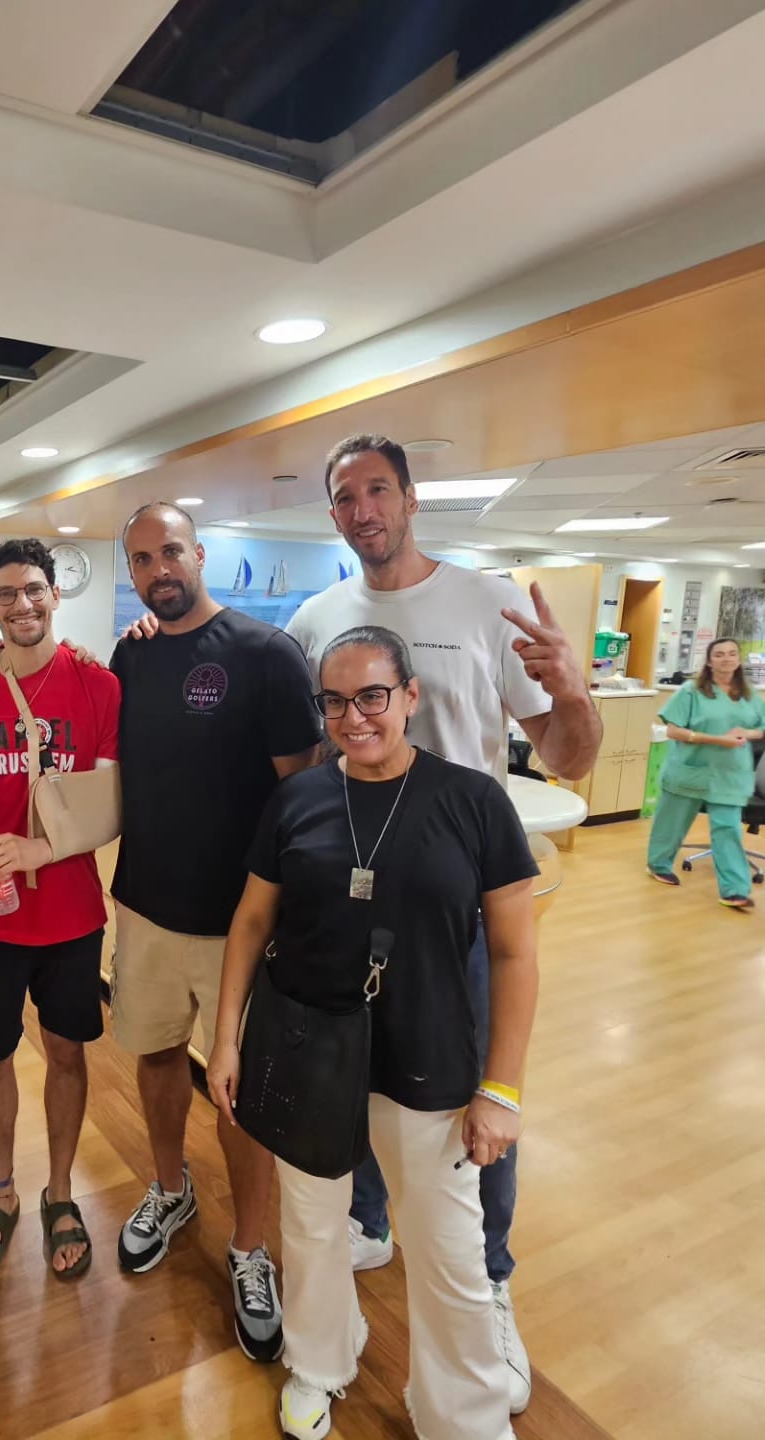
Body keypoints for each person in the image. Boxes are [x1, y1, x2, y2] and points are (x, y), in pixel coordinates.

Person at [286, 432, 602, 1412]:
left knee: (475, 1114)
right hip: (347, 914)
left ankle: (488, 1278)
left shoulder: (484, 604)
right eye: (346, 497)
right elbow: (306, 766)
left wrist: (573, 686)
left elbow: (571, 756)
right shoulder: (315, 621)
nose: (364, 511)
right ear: (332, 514)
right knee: (353, 1084)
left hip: (455, 913)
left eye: (379, 490)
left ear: (412, 498)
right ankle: (371, 1223)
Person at [210, 626, 539, 1440]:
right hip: (307, 1051)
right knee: (313, 1224)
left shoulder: (473, 801)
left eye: (372, 697)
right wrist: (226, 1039)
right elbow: (251, 923)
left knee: (447, 1248)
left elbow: (514, 953)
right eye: (334, 702)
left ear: (411, 697)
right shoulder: (298, 799)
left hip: (427, 1056)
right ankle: (319, 1363)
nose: (353, 717)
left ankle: (463, 1413)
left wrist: (502, 1089)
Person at [110, 502, 320, 1363]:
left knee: (244, 1092)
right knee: (156, 1056)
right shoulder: (131, 654)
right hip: (145, 907)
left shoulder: (267, 655)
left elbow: (302, 796)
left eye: (171, 551)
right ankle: (171, 1189)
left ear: (200, 554)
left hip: (240, 923)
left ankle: (250, 1249)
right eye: (141, 559)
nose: (158, 569)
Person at [0, 539, 120, 1283]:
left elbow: (112, 804)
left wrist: (39, 851)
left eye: (35, 588)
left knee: (68, 1053)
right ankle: (1, 1191)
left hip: (71, 913)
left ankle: (61, 1191)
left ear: (55, 594)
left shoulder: (98, 685)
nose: (23, 604)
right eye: (7, 593)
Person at [647, 637, 765, 909]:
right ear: (710, 661)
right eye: (719, 654)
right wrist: (717, 740)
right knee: (672, 824)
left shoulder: (748, 694)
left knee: (728, 829)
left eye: (732, 653)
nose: (726, 658)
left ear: (738, 660)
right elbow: (673, 731)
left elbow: (762, 728)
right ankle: (659, 864)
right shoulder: (691, 691)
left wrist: (747, 733)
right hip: (690, 769)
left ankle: (734, 890)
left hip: (731, 775)